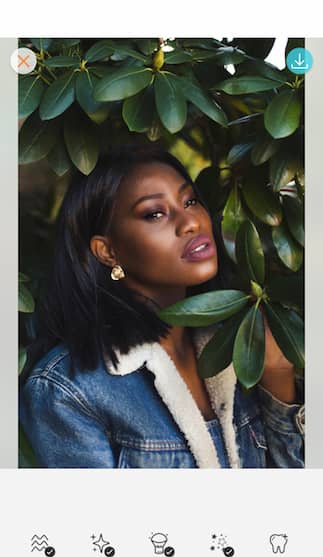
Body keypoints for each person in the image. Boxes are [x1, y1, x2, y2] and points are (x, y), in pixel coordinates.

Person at [19, 145, 304, 468]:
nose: (190, 223)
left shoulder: (241, 345)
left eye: (190, 201)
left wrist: (277, 378)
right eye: (155, 213)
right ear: (107, 251)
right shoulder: (68, 391)